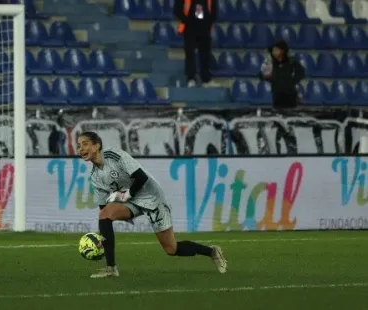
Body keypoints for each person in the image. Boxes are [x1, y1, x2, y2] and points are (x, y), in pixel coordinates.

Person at [77, 131, 227, 278]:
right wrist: (102, 239)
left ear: (97, 146)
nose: (81, 148)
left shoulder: (114, 156)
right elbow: (103, 209)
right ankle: (111, 269)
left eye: (85, 144)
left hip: (152, 198)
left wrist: (126, 195)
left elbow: (141, 177)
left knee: (171, 249)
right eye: (79, 145)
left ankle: (211, 251)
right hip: (131, 202)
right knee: (104, 214)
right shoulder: (95, 177)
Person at [174, 0, 218, 88]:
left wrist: (208, 23)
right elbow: (177, 11)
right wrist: (188, 22)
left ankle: (206, 80)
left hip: (205, 28)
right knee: (190, 53)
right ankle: (191, 79)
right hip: (189, 28)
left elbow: (214, 11)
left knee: (205, 53)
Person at [259, 40, 305, 109]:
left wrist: (291, 82)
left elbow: (301, 73)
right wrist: (266, 76)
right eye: (273, 50)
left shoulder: (292, 61)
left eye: (276, 50)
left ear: (282, 51)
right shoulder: (270, 62)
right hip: (277, 93)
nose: (274, 52)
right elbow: (262, 75)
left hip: (290, 93)